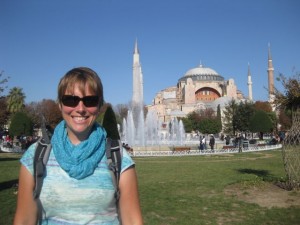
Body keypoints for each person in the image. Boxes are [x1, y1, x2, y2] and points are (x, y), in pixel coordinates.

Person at [14, 67, 143, 225]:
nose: (80, 109)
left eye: (90, 101)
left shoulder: (118, 157)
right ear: (60, 104)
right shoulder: (35, 156)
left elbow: (132, 221)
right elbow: (24, 220)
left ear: (99, 105)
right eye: (71, 100)